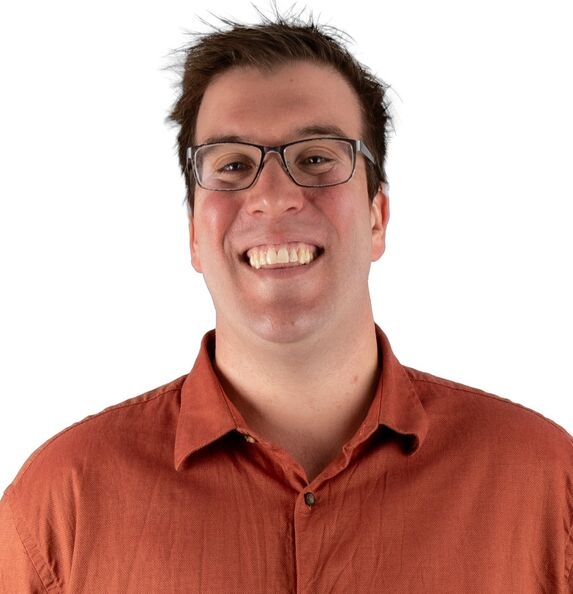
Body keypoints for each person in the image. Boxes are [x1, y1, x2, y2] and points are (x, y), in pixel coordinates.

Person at [1, 10, 572, 593]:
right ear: (194, 234)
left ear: (377, 218)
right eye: (232, 165)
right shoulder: (61, 506)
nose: (273, 197)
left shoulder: (549, 488)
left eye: (316, 158)